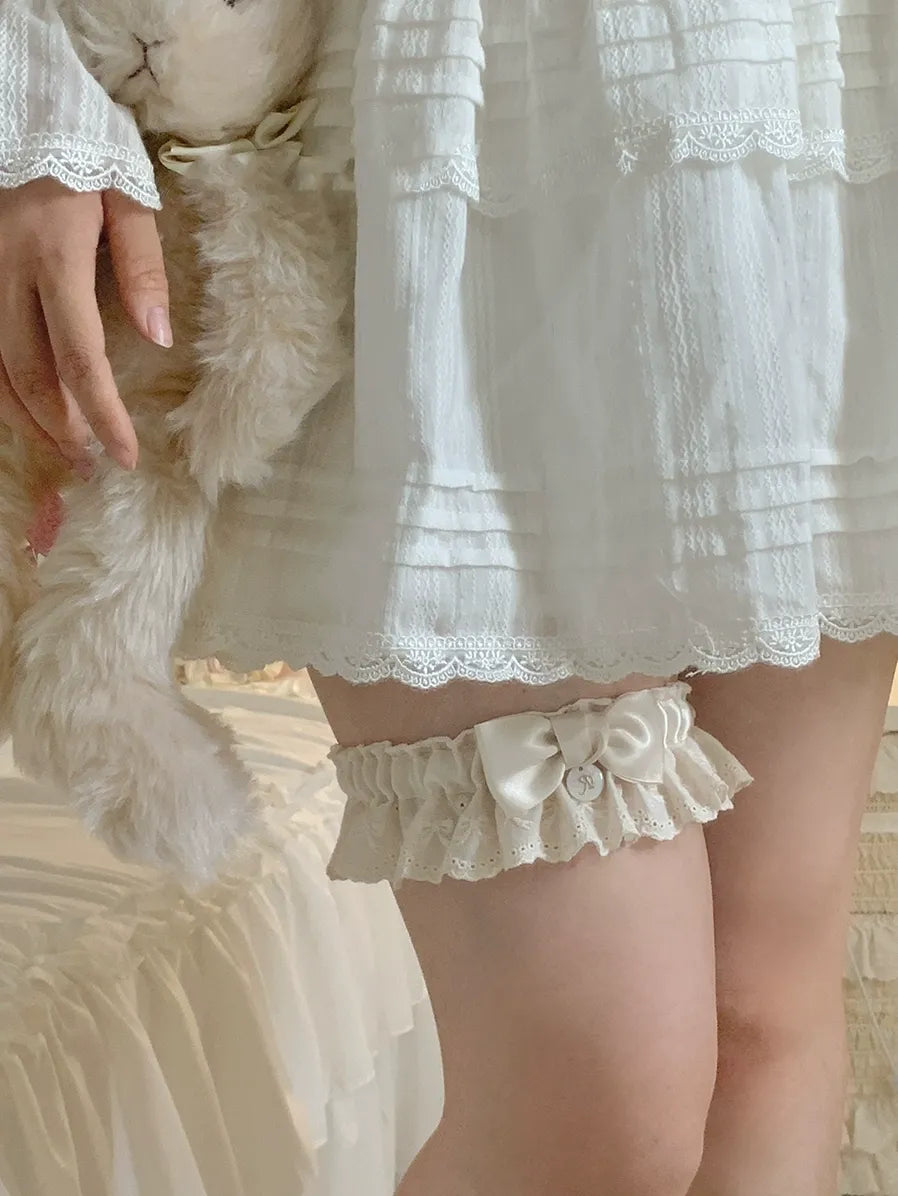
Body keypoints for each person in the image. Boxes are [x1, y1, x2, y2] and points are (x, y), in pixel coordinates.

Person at [2, 1, 897, 1193]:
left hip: (796, 118)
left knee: (763, 1024)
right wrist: (32, 110)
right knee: (595, 1098)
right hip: (433, 146)